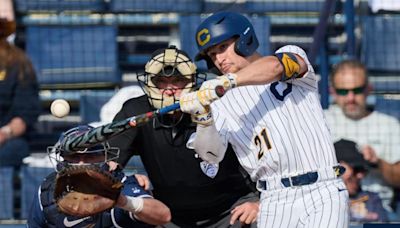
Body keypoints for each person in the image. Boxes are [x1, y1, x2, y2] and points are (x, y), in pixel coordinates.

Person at [179, 11, 349, 227]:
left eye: (223, 47)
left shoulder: (289, 53)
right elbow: (211, 155)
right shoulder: (220, 102)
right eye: (212, 55)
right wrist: (203, 117)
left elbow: (276, 67)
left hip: (321, 189)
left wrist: (227, 83)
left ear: (244, 39)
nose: (219, 59)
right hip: (272, 198)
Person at [108, 46, 259, 227]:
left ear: (192, 80)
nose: (170, 88)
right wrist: (129, 180)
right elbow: (111, 162)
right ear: (150, 82)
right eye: (161, 81)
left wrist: (259, 202)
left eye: (178, 80)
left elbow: (264, 157)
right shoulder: (135, 112)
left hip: (232, 210)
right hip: (168, 216)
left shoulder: (219, 105)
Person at [28, 125, 171, 227]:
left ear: (105, 157)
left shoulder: (119, 183)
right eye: (74, 156)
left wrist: (121, 201)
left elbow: (163, 215)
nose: (82, 163)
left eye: (91, 156)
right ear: (63, 158)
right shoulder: (47, 189)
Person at [324, 59, 400, 219]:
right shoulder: (321, 121)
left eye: (357, 90)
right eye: (343, 91)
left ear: (369, 89)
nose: (350, 97)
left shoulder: (388, 125)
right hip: (329, 205)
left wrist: (377, 162)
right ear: (333, 92)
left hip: (376, 207)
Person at [0, 0, 41, 167]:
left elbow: (24, 116)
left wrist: (4, 133)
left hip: (6, 137)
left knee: (11, 150)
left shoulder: (18, 63)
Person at [334, 139, 388, 223]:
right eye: (356, 169)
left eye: (363, 170)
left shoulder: (372, 199)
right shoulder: (321, 199)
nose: (360, 175)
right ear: (337, 169)